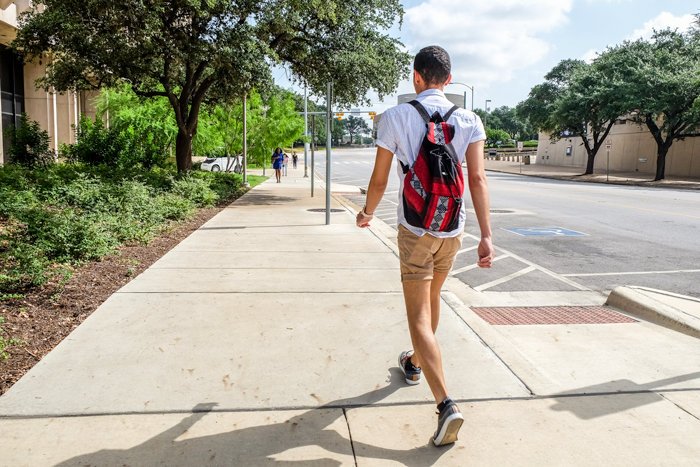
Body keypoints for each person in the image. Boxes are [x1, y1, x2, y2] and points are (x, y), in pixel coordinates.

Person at [355, 46, 494, 446]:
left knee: (418, 316)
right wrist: (486, 236)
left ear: (416, 76)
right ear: (448, 80)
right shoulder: (469, 119)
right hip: (452, 230)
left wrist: (366, 213)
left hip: (415, 231)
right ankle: (414, 362)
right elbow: (479, 180)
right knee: (433, 302)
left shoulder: (394, 117)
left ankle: (445, 404)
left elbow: (380, 181)